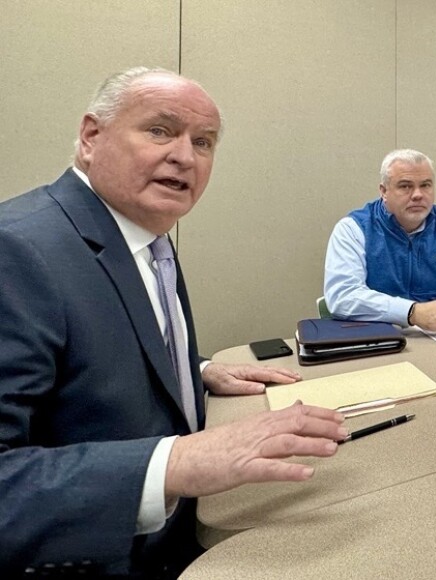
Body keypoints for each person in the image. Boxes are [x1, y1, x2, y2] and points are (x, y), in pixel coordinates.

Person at [0, 67, 348, 578]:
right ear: (91, 137)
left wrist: (193, 368)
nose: (185, 156)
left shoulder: (146, 236)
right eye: (160, 130)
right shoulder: (17, 251)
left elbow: (89, 350)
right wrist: (177, 463)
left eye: (203, 142)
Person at [324, 148, 436, 334]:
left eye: (426, 185)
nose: (418, 194)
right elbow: (343, 296)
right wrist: (412, 312)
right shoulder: (353, 229)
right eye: (405, 186)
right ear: (384, 191)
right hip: (375, 340)